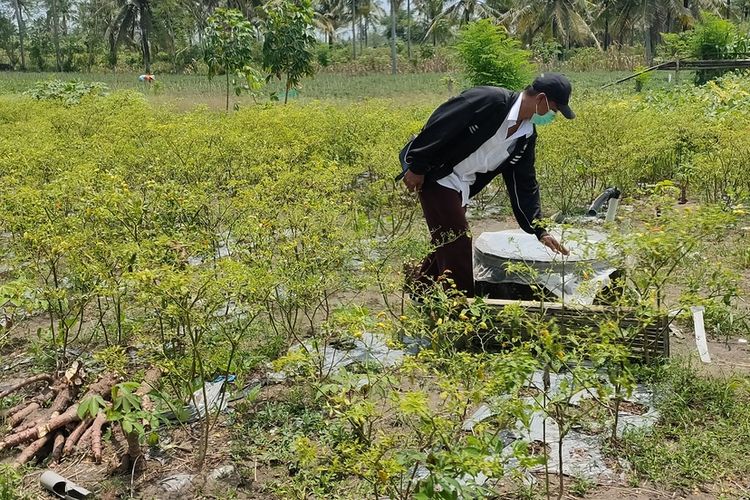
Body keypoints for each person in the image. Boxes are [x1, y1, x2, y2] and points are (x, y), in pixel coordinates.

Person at [398, 73, 575, 298]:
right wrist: (418, 165)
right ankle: (461, 310)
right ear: (541, 99)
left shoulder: (526, 135)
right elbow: (441, 123)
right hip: (437, 175)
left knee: (445, 241)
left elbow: (524, 182)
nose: (553, 115)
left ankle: (419, 291)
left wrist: (538, 228)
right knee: (458, 241)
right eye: (555, 109)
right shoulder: (489, 100)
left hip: (462, 185)